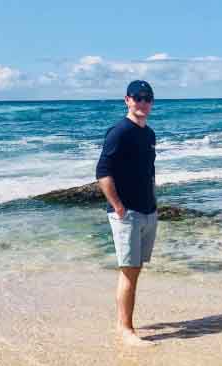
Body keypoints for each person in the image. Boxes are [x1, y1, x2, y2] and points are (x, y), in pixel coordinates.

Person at [95, 80, 158, 347]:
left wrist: (154, 203)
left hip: (148, 210)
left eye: (147, 98)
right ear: (127, 100)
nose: (142, 102)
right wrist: (118, 206)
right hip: (127, 213)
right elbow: (102, 172)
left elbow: (149, 172)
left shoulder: (149, 134)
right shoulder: (119, 132)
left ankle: (123, 322)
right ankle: (125, 329)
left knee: (136, 269)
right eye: (138, 97)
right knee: (129, 271)